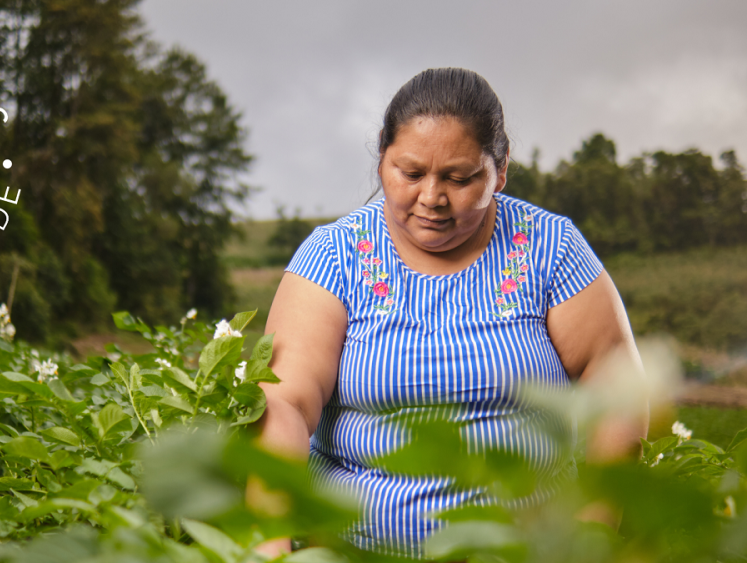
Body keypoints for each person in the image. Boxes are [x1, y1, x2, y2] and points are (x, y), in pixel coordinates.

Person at [253, 68, 648, 558]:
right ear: (382, 159)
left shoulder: (551, 248)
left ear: (500, 170)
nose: (432, 198)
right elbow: (284, 405)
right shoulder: (335, 256)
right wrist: (269, 548)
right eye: (411, 173)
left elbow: (614, 389)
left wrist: (591, 536)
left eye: (460, 178)